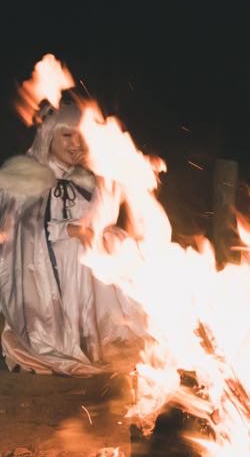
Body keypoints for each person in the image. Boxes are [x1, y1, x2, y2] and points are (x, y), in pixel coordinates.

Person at [0, 98, 144, 376]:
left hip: (81, 252)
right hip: (42, 260)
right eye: (67, 135)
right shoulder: (25, 178)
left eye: (81, 137)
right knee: (79, 251)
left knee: (117, 243)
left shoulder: (88, 182)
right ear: (48, 138)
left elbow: (101, 222)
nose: (76, 144)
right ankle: (61, 339)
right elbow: (23, 231)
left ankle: (101, 337)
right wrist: (70, 230)